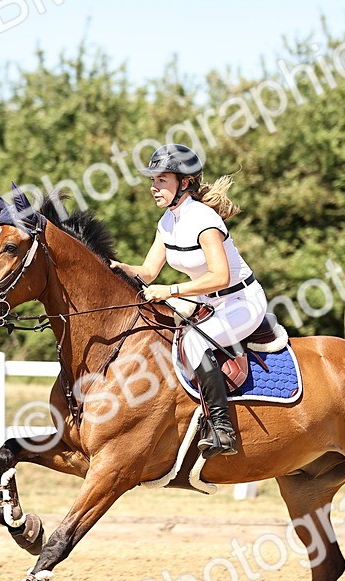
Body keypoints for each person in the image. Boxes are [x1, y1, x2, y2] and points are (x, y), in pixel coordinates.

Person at [111, 143, 268, 457]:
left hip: (241, 302)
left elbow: (220, 276)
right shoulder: (167, 222)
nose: (154, 187)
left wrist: (170, 291)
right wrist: (116, 267)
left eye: (162, 180)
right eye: (153, 180)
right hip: (207, 303)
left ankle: (221, 428)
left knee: (196, 342)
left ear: (185, 183)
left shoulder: (204, 220)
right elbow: (148, 271)